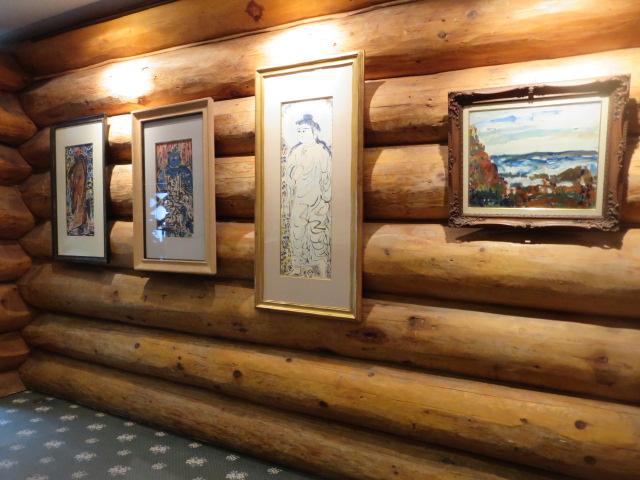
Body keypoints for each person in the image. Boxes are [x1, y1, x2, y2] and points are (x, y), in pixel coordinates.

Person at [282, 113, 332, 278]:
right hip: (299, 200)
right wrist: (293, 178)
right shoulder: (295, 152)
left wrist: (326, 199)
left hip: (317, 201)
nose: (301, 133)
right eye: (299, 131)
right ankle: (297, 267)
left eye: (304, 130)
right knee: (297, 234)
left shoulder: (322, 152)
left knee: (317, 234)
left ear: (314, 131)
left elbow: (328, 176)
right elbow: (289, 177)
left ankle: (322, 270)